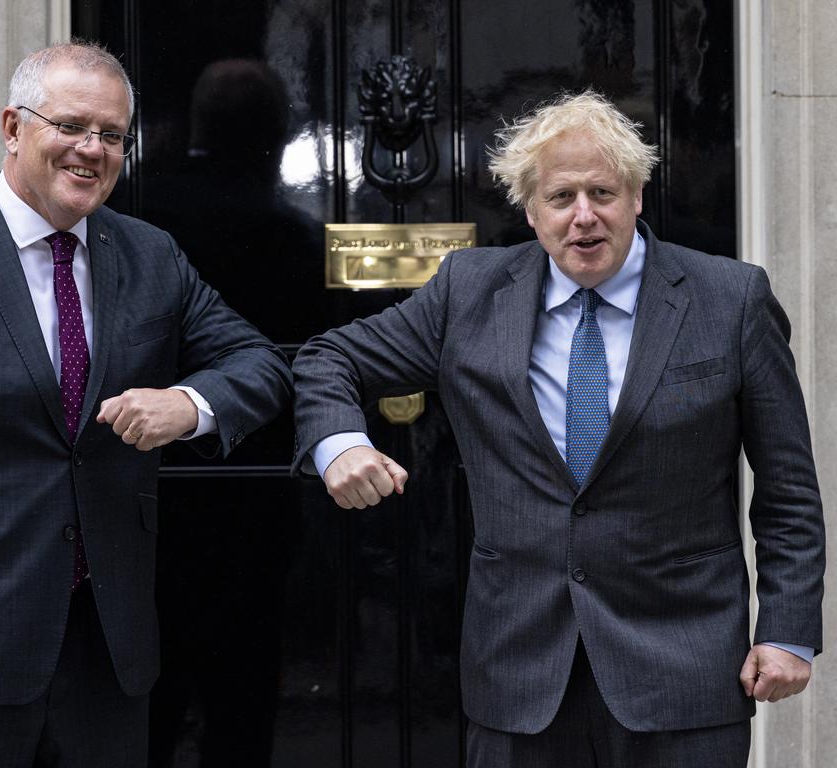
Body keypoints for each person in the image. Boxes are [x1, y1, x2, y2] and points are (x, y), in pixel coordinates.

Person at [291, 90, 824, 766]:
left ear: (636, 194)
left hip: (683, 673)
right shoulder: (468, 292)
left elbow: (788, 491)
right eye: (560, 196)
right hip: (519, 673)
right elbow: (328, 359)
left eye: (602, 192)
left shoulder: (731, 299)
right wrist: (341, 444)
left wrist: (787, 631)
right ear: (529, 208)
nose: (583, 217)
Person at [0, 40, 292, 767]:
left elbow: (259, 363)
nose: (92, 150)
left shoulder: (150, 256)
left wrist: (189, 403)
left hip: (108, 652)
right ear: (13, 127)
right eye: (71, 126)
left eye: (111, 135)